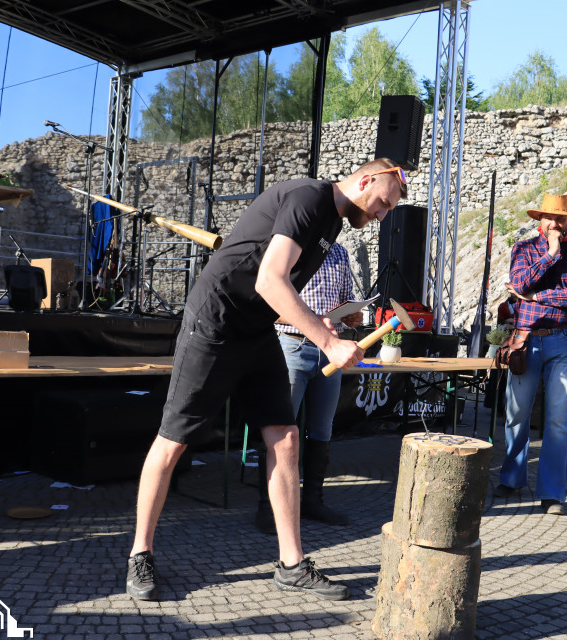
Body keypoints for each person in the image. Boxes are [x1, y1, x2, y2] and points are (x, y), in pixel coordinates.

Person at [125, 159, 407, 602]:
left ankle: (292, 564)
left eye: (388, 210)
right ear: (365, 180)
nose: (381, 215)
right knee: (174, 439)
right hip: (215, 323)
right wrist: (326, 343)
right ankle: (140, 553)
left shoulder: (332, 222)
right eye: (383, 203)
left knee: (286, 438)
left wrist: (320, 322)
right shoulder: (310, 198)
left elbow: (274, 294)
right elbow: (269, 279)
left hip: (256, 330)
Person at [493, 194, 567, 516]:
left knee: (557, 421)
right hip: (525, 341)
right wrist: (551, 254)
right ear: (540, 220)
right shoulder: (523, 249)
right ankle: (512, 479)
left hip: (564, 342)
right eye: (549, 218)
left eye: (561, 218)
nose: (555, 223)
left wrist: (536, 296)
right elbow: (518, 282)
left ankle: (552, 494)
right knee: (516, 414)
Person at [254, 242, 363, 533]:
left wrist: (354, 316)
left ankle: (313, 501)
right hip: (292, 346)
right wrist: (311, 322)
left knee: (322, 430)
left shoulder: (339, 252)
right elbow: (266, 303)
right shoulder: (289, 248)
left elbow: (346, 301)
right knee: (279, 431)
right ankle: (268, 508)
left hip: (331, 351)